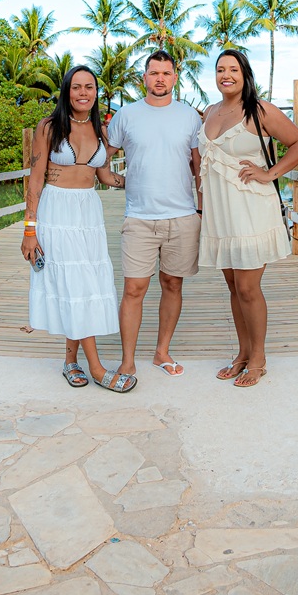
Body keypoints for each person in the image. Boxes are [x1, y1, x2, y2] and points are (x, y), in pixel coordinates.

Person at [198, 49, 298, 387]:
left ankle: (258, 358)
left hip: (251, 210)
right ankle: (243, 353)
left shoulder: (259, 110)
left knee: (248, 287)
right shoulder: (209, 112)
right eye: (220, 69)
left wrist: (269, 173)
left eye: (233, 69)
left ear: (245, 74)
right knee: (233, 286)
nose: (226, 75)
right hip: (221, 213)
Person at [20, 66, 132, 392]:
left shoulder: (102, 131)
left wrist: (139, 181)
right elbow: (35, 180)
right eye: (76, 87)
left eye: (89, 87)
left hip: (88, 213)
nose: (83, 93)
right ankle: (97, 368)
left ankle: (70, 361)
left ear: (96, 92)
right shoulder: (49, 127)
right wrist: (30, 230)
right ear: (66, 91)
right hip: (57, 212)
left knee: (81, 284)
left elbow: (105, 176)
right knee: (76, 285)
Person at [103, 50, 203, 380]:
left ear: (175, 78)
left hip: (182, 216)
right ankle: (127, 361)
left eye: (166, 73)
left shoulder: (189, 117)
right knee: (134, 289)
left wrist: (202, 209)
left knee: (172, 284)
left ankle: (162, 352)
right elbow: (102, 156)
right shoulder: (126, 115)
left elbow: (198, 166)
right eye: (154, 73)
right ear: (144, 77)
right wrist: (118, 181)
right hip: (139, 218)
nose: (160, 78)